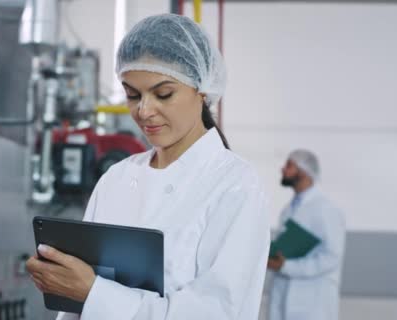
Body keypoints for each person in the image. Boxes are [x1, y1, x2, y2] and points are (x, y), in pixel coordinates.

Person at [26, 14, 270, 319]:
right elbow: (75, 308)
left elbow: (216, 312)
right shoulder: (116, 178)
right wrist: (62, 279)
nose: (144, 110)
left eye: (163, 94)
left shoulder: (234, 185)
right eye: (132, 94)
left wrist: (94, 293)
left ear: (202, 89)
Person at [267, 150, 346, 320]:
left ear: (304, 171)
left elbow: (331, 257)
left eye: (289, 165)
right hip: (283, 296)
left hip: (313, 301)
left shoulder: (326, 209)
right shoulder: (288, 210)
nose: (283, 169)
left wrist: (286, 266)